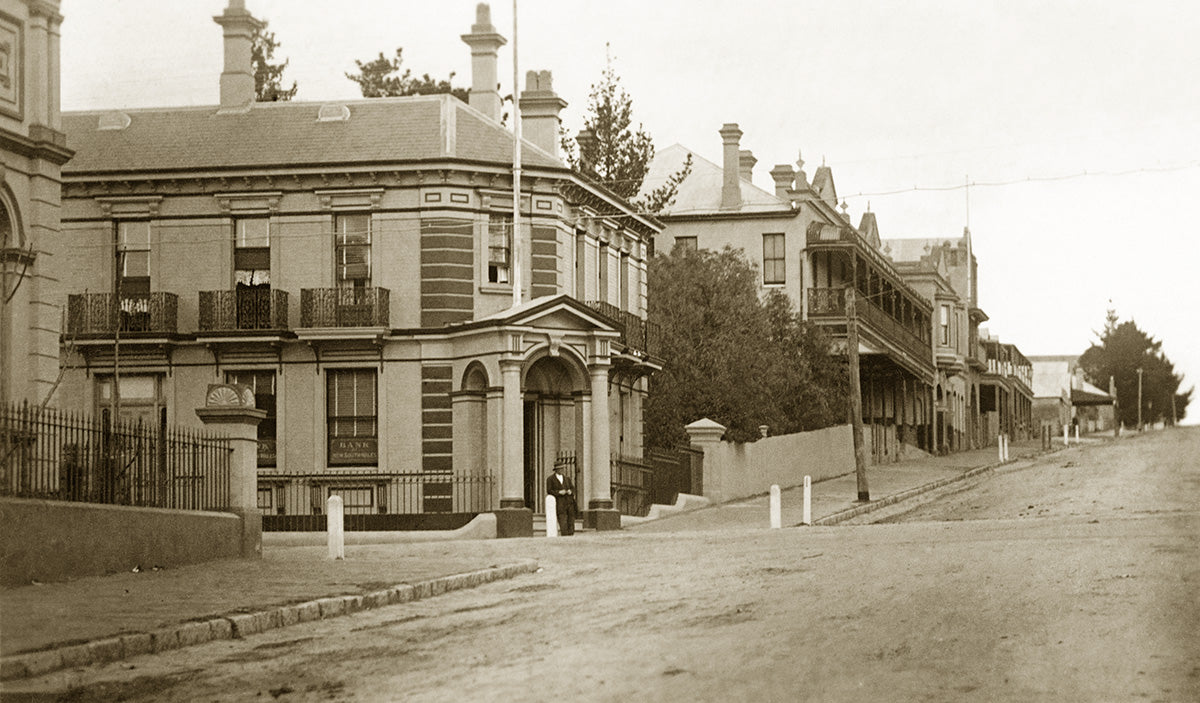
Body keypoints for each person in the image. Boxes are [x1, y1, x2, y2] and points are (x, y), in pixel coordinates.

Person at [546, 465, 577, 536]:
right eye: (560, 469)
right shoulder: (550, 479)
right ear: (556, 470)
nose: (562, 470)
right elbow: (549, 490)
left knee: (571, 519)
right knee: (562, 519)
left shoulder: (567, 479)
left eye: (562, 469)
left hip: (569, 502)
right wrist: (559, 492)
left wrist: (570, 491)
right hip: (559, 502)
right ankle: (565, 534)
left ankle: (571, 534)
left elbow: (573, 488)